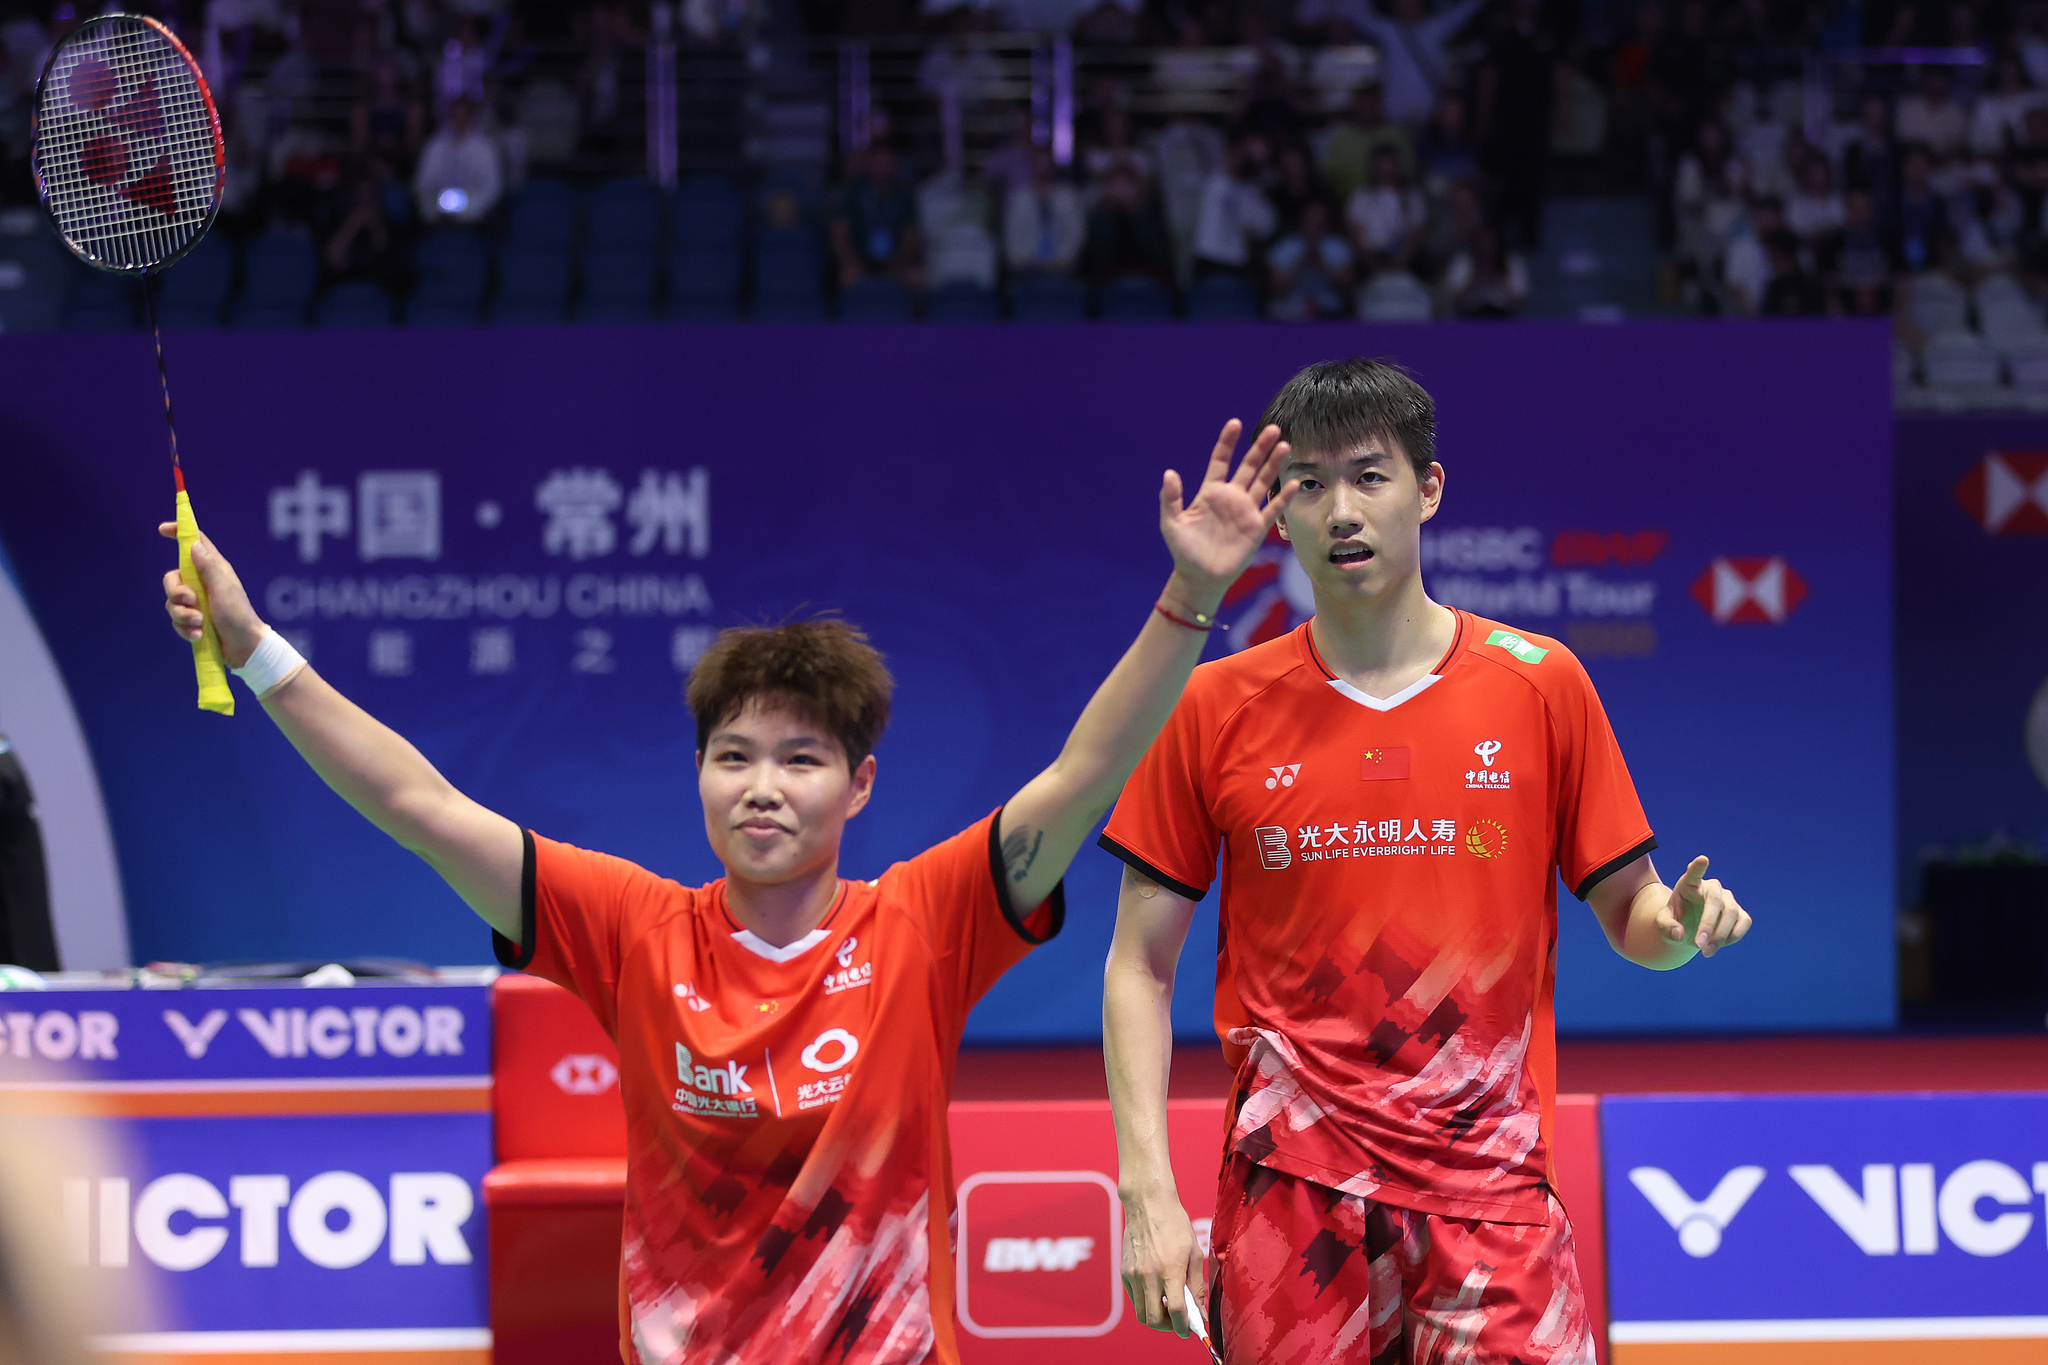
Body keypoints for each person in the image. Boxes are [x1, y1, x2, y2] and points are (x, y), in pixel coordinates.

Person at [159, 424, 1302, 1362]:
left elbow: (1085, 771)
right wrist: (256, 648)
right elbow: (420, 804)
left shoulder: (924, 921)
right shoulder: (626, 927)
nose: (762, 789)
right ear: (698, 776)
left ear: (858, 787)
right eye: (734, 757)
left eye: (799, 761)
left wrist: (1189, 597)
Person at [1099, 359, 1753, 1361]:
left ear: (1428, 490)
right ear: (1278, 514)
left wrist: (1678, 925)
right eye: (1307, 486)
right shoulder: (1211, 708)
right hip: (1291, 1191)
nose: (1339, 510)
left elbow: (1632, 918)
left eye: (1369, 475)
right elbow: (1136, 967)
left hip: (1487, 1185)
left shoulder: (1540, 685)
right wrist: (1147, 1195)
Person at [412, 95, 500, 226]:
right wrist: (433, 211)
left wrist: (466, 212)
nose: (459, 121)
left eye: (463, 115)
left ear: (472, 117)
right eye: (455, 115)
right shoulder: (435, 145)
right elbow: (423, 183)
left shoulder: (486, 148)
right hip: (436, 221)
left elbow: (492, 188)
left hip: (474, 222)